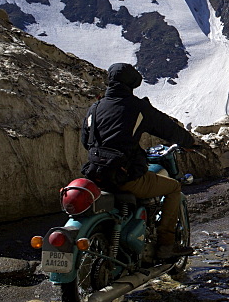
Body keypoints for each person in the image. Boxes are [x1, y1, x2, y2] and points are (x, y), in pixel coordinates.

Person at [81, 63, 196, 260]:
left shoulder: (95, 108)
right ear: (132, 83)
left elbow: (86, 141)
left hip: (96, 176)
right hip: (125, 177)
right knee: (174, 188)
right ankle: (166, 246)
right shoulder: (136, 107)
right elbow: (166, 128)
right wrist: (189, 142)